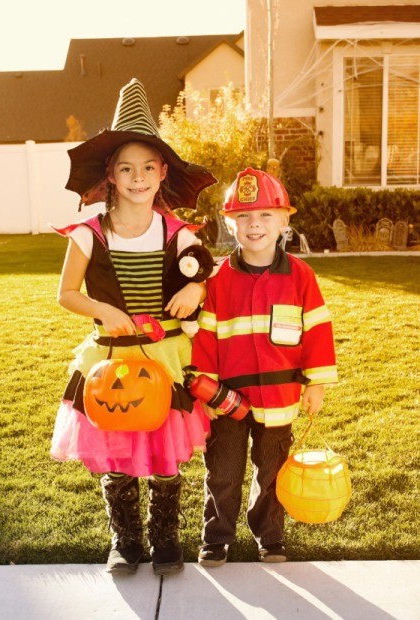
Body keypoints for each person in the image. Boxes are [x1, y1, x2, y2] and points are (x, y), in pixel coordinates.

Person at [50, 78, 216, 576]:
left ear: (162, 172)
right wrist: (103, 310)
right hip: (112, 360)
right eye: (127, 168)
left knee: (166, 455)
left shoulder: (179, 233)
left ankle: (165, 542)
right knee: (120, 450)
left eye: (148, 167)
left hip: (165, 356)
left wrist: (195, 291)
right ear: (112, 175)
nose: (138, 177)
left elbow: (202, 275)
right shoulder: (89, 233)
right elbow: (66, 294)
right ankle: (125, 542)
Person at [192, 167, 338, 566]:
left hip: (280, 397)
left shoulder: (301, 276)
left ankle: (270, 537)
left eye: (265, 216)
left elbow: (318, 332)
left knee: (271, 472)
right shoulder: (218, 279)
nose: (254, 225)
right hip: (227, 401)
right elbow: (204, 336)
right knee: (222, 472)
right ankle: (217, 536)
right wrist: (203, 388)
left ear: (284, 221)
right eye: (243, 217)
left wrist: (317, 384)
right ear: (230, 223)